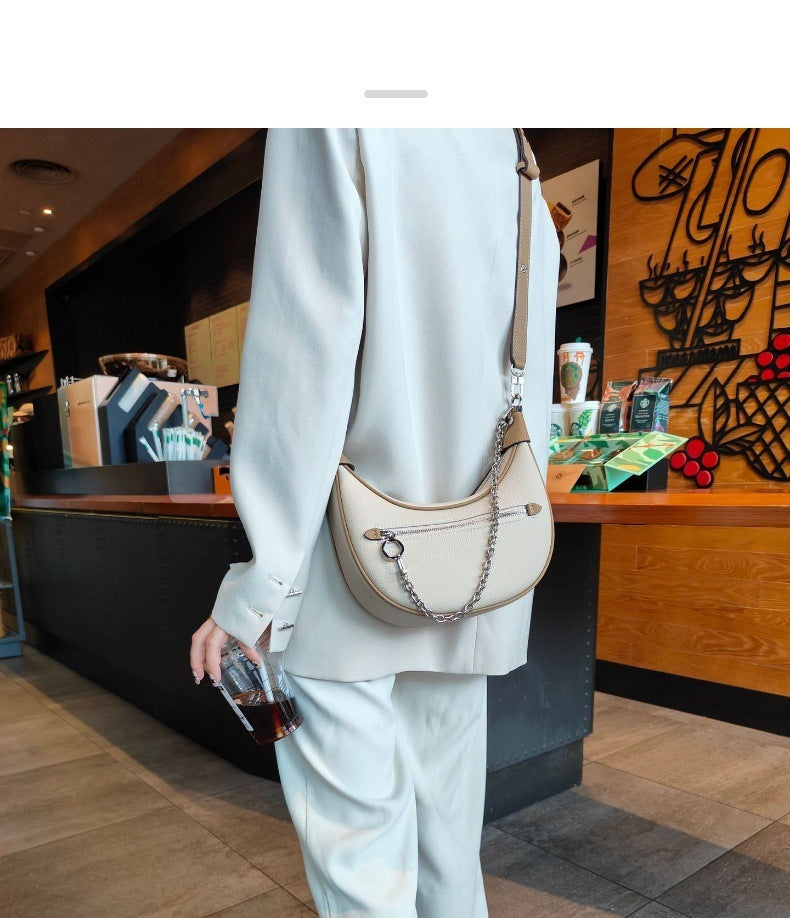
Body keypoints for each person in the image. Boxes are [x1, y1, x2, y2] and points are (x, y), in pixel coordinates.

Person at [190, 128, 559, 917]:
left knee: (362, 870)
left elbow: (303, 355)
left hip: (346, 570)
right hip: (475, 564)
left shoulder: (333, 112)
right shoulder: (513, 149)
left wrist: (259, 587)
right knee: (450, 859)